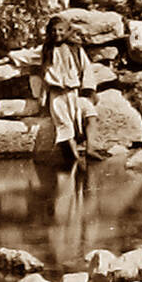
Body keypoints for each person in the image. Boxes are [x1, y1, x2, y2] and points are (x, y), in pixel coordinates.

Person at [41, 16, 99, 168]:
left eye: (60, 30)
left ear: (67, 31)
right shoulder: (46, 50)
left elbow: (87, 69)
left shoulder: (76, 49)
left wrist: (89, 90)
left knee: (89, 112)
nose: (57, 33)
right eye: (53, 31)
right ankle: (75, 158)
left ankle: (91, 148)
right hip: (57, 95)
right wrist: (8, 57)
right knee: (64, 124)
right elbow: (26, 56)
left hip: (74, 92)